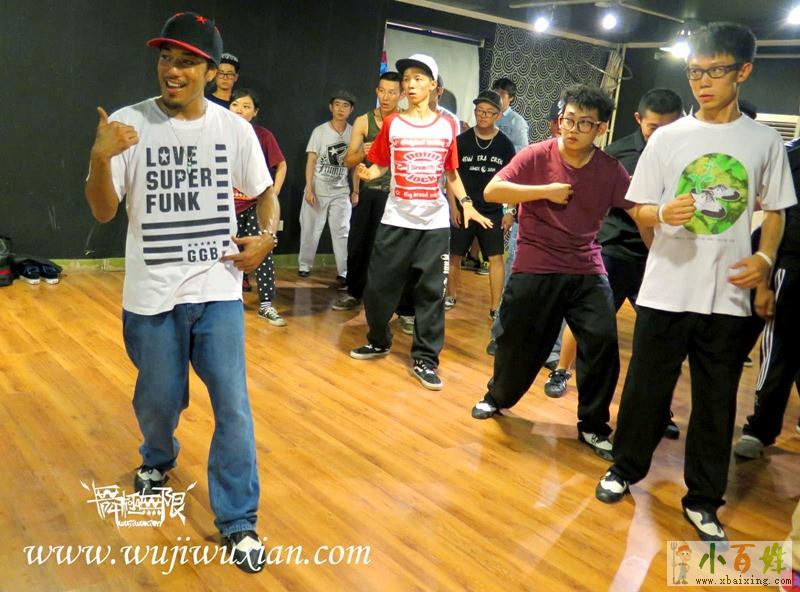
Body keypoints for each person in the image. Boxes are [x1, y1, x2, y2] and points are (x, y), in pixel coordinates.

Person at [84, 12, 280, 572]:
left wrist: (268, 237)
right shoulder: (128, 124)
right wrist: (99, 158)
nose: (173, 69)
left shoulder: (233, 129)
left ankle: (239, 520)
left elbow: (265, 194)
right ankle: (157, 454)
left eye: (187, 61)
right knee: (159, 400)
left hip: (217, 290)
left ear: (212, 71)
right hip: (152, 296)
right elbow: (103, 211)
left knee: (233, 406)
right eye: (166, 58)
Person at [594, 22, 796, 544]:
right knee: (645, 389)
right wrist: (662, 213)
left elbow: (776, 210)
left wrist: (765, 258)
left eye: (714, 71)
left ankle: (704, 498)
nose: (702, 81)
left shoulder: (764, 141)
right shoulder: (668, 138)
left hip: (727, 294)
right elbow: (639, 208)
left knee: (716, 401)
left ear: (743, 72)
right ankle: (624, 468)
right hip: (667, 288)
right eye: (694, 72)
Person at [470, 84, 634, 463]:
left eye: (584, 123)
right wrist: (544, 191)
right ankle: (497, 396)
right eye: (568, 120)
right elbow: (493, 191)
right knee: (518, 342)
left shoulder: (610, 169)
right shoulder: (536, 155)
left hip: (586, 266)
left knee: (602, 342)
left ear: (600, 129)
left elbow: (636, 206)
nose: (572, 129)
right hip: (536, 263)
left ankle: (593, 424)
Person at [544, 89, 685, 443]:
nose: (662, 134)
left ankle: (660, 409)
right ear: (639, 120)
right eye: (654, 127)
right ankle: (561, 370)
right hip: (616, 249)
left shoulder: (688, 154)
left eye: (670, 127)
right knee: (587, 319)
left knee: (662, 335)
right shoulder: (617, 155)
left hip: (661, 254)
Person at [350, 54, 491, 390]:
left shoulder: (447, 126)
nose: (410, 84)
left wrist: (467, 204)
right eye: (407, 79)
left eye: (418, 78)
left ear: (433, 86)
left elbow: (451, 172)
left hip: (433, 224)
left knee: (431, 294)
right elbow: (381, 164)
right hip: (396, 219)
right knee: (378, 288)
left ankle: (426, 359)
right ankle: (379, 340)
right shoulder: (393, 124)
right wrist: (369, 173)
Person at [733, 136, 800, 458]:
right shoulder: (790, 155)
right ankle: (759, 429)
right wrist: (764, 283)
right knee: (777, 351)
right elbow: (774, 217)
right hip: (786, 266)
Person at [486, 97, 563, 372]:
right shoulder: (535, 153)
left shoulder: (591, 161)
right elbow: (503, 185)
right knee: (514, 286)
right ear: (553, 123)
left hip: (565, 237)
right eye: (559, 121)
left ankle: (552, 349)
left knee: (559, 294)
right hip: (528, 229)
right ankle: (501, 335)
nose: (563, 127)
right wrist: (510, 209)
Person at [333, 72, 402, 311]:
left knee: (387, 248)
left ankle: (385, 298)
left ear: (401, 95)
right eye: (382, 91)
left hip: (395, 194)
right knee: (358, 244)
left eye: (392, 92)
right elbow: (348, 161)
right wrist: (364, 151)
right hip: (369, 190)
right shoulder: (364, 121)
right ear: (376, 91)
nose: (386, 97)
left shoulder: (405, 121)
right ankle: (354, 292)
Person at [446, 90, 516, 318]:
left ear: (498, 115)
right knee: (455, 255)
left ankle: (496, 306)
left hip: (492, 211)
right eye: (479, 111)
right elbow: (451, 175)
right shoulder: (461, 141)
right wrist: (453, 207)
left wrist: (510, 210)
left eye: (488, 112)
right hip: (464, 208)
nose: (483, 116)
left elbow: (512, 180)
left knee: (496, 258)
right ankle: (450, 295)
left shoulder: (505, 145)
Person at [230, 87, 288, 326]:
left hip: (255, 205)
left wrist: (272, 193)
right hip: (227, 207)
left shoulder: (263, 136)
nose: (240, 110)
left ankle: (266, 304)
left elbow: (281, 165)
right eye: (235, 104)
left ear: (255, 112)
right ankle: (227, 302)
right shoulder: (218, 132)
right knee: (225, 253)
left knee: (263, 249)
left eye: (246, 106)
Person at [298, 91, 355, 281]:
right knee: (310, 230)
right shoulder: (320, 131)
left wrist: (355, 190)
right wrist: (309, 188)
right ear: (331, 107)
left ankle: (343, 272)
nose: (340, 109)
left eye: (345, 105)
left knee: (342, 232)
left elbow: (355, 165)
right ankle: (304, 265)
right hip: (318, 188)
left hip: (341, 190)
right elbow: (311, 160)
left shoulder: (353, 132)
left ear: (351, 109)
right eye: (337, 104)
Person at [492, 77, 529, 153]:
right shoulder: (487, 115)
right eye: (496, 92)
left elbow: (523, 149)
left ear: (511, 97)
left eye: (502, 93)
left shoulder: (517, 121)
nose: (498, 96)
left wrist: (501, 148)